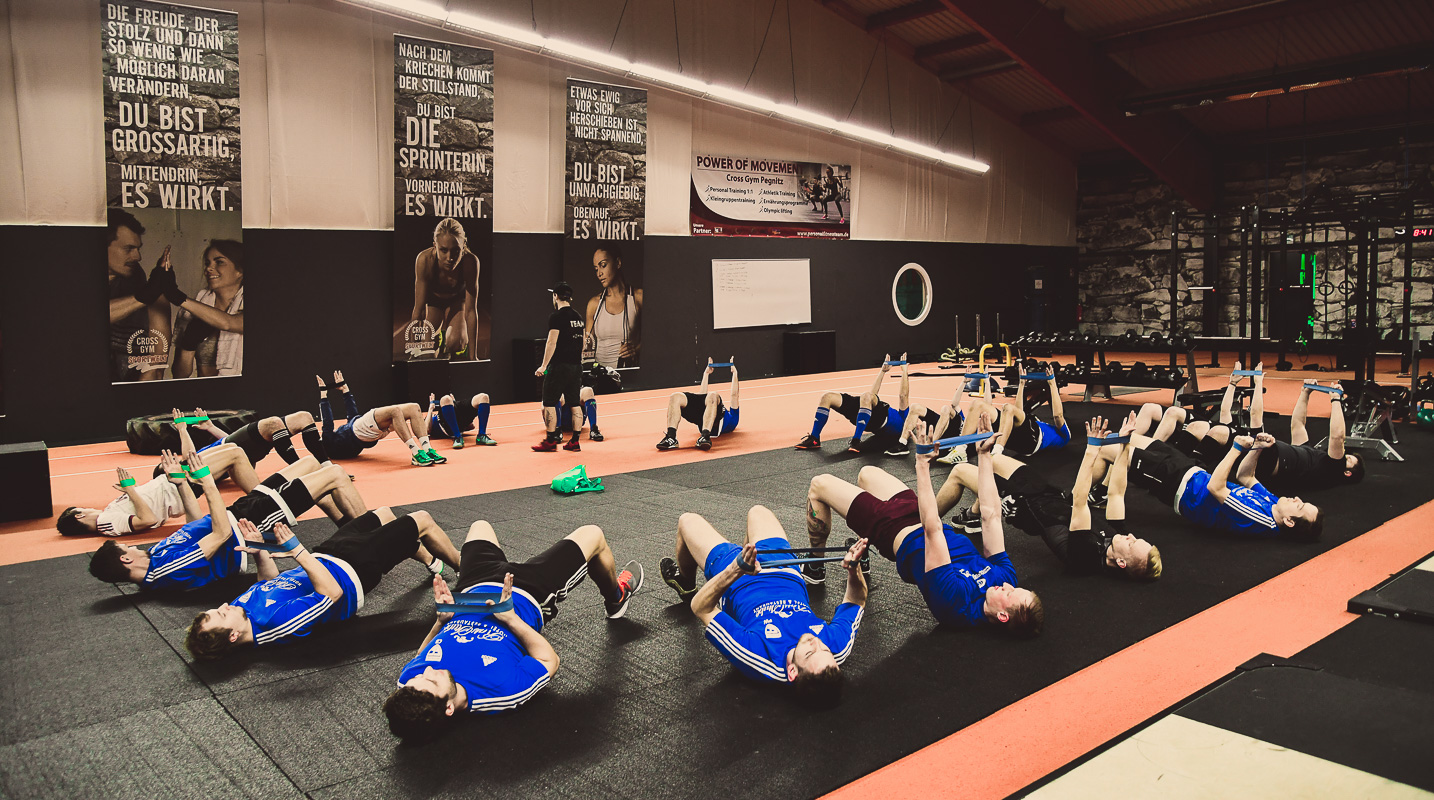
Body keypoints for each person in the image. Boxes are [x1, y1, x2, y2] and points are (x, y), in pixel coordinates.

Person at [382, 520, 643, 741]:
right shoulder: (501, 690)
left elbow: (422, 655)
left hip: (472, 590)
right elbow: (548, 660)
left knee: (479, 526)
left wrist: (441, 621)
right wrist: (510, 619)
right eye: (431, 680)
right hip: (528, 592)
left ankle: (501, 569)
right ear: (448, 708)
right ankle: (616, 596)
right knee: (593, 534)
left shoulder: (410, 686)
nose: (427, 670)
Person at [805, 419, 1043, 635]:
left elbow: (933, 531)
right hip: (920, 514)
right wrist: (984, 456)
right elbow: (990, 516)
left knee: (819, 484)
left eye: (1010, 594)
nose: (1008, 585)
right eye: (1016, 587)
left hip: (893, 528)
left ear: (1002, 616)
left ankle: (815, 566)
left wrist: (922, 465)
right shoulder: (1004, 577)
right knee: (867, 473)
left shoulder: (957, 603)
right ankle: (863, 545)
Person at [184, 510, 463, 662]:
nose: (224, 605)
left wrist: (259, 551)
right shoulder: (276, 624)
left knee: (385, 515)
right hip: (353, 569)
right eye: (221, 614)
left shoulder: (240, 610)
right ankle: (466, 569)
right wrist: (295, 550)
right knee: (423, 520)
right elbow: (331, 593)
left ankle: (427, 558)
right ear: (233, 636)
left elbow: (269, 584)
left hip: (325, 554)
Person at [658, 505, 866, 707]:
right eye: (825, 649)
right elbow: (856, 600)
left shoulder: (757, 655)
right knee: (758, 511)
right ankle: (750, 555)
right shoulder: (836, 649)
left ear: (792, 672)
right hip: (783, 565)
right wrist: (854, 569)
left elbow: (701, 608)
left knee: (687, 520)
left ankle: (685, 583)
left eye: (810, 653)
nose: (816, 643)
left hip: (738, 580)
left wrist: (736, 568)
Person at [939, 414, 1161, 580]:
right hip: (1047, 492)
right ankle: (972, 516)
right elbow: (1116, 493)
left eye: (1132, 544)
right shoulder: (1120, 538)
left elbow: (1080, 501)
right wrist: (1124, 444)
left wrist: (1092, 450)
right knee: (995, 460)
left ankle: (922, 524)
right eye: (1136, 539)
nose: (1130, 536)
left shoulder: (1086, 556)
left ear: (1121, 562)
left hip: (1022, 504)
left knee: (959, 472)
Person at [1090, 416, 1323, 540]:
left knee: (1106, 449)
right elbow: (1245, 476)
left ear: (1290, 521)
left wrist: (1236, 448)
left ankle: (1079, 498)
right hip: (1190, 470)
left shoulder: (1260, 519)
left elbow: (1216, 487)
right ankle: (1098, 493)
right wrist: (1258, 448)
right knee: (1122, 438)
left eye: (1299, 505)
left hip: (1179, 486)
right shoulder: (1274, 504)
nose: (1295, 498)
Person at [87, 452, 249, 590]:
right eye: (128, 547)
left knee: (237, 453)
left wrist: (181, 483)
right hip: (243, 527)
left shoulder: (154, 554)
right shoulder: (167, 569)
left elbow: (195, 525)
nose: (134, 546)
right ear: (126, 559)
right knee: (236, 453)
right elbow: (222, 534)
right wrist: (207, 483)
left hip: (233, 516)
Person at [317, 370, 445, 466]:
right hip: (361, 430)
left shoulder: (339, 447)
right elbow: (327, 422)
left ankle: (427, 449)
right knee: (395, 411)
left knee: (414, 408)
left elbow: (351, 416)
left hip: (370, 435)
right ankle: (416, 453)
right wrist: (324, 396)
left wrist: (345, 390)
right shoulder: (328, 443)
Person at [159, 239, 245, 378]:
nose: (208, 268)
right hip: (204, 391)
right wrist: (188, 344)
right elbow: (180, 375)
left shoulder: (255, 303)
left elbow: (228, 323)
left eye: (219, 262)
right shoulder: (191, 310)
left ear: (240, 271)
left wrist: (175, 295)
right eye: (207, 263)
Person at [105, 209, 171, 382]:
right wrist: (146, 294)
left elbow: (155, 366)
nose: (138, 256)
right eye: (129, 249)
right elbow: (83, 317)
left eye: (138, 249)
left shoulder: (135, 277)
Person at [796, 354, 910, 453]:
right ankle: (814, 438)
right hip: (866, 411)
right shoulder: (906, 417)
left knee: (867, 396)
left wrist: (905, 371)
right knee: (827, 397)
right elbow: (872, 396)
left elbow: (903, 396)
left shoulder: (904, 425)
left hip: (879, 419)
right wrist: (883, 371)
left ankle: (856, 440)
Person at [409, 217, 479, 360]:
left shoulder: (470, 262)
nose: (450, 257)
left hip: (457, 303)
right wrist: (413, 352)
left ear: (464, 245)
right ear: (435, 245)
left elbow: (471, 311)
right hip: (434, 303)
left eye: (455, 251)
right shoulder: (424, 260)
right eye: (444, 250)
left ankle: (451, 341)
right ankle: (438, 338)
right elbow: (419, 310)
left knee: (455, 342)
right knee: (426, 352)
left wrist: (474, 358)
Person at [534, 282, 586, 452]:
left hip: (559, 366)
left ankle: (550, 441)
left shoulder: (556, 317)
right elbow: (584, 343)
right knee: (574, 403)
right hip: (576, 366)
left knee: (549, 402)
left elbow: (551, 341)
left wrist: (543, 365)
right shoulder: (578, 317)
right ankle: (575, 441)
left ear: (555, 296)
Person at [657, 357, 741, 451]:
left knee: (712, 395)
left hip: (709, 420)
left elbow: (734, 395)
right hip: (702, 414)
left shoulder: (732, 422)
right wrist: (706, 373)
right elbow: (702, 398)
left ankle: (705, 437)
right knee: (675, 397)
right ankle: (671, 437)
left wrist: (735, 373)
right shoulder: (731, 418)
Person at [582, 244, 643, 369]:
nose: (599, 273)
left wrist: (636, 350)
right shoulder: (594, 304)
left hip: (629, 374)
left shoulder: (638, 297)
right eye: (596, 268)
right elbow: (588, 347)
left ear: (618, 263)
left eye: (603, 265)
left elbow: (656, 337)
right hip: (601, 376)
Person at [993, 372, 1071, 458]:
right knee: (983, 407)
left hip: (1034, 440)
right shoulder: (1044, 428)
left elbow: (1058, 415)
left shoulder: (1065, 436)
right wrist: (1021, 384)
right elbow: (1019, 412)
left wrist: (1052, 383)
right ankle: (977, 442)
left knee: (1007, 408)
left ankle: (996, 452)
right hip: (1022, 444)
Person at [428, 392, 497, 449]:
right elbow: (427, 430)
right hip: (445, 424)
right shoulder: (427, 421)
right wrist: (430, 408)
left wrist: (452, 406)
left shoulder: (442, 412)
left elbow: (471, 426)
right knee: (445, 399)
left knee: (484, 397)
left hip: (454, 413)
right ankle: (457, 437)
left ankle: (481, 435)